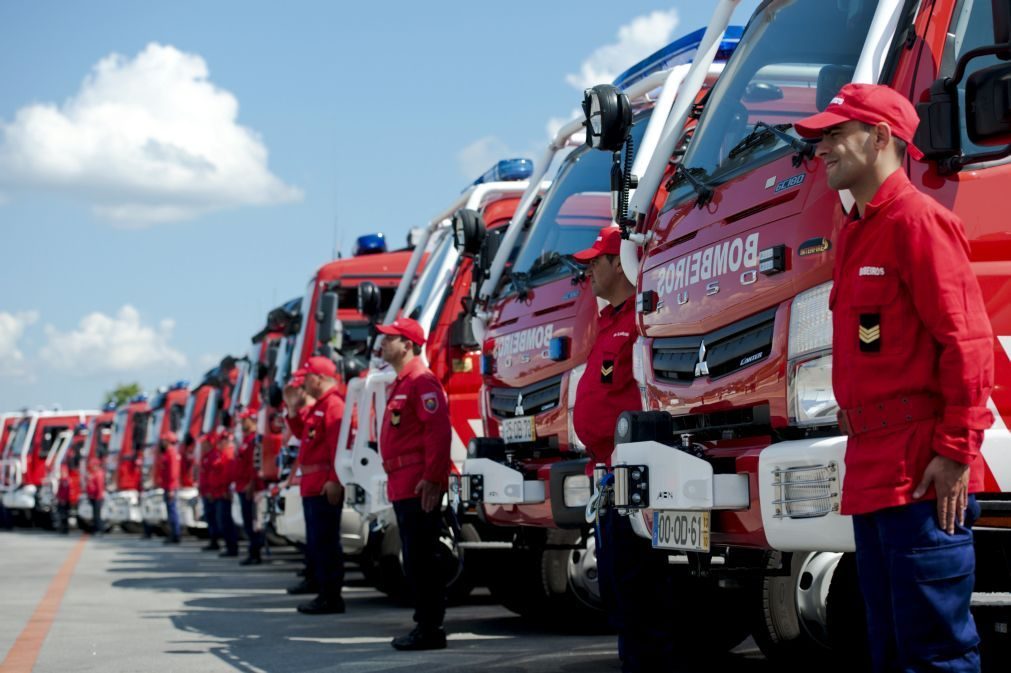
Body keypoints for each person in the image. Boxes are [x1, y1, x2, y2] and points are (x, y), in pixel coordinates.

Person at [794, 83, 994, 672]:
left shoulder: (918, 222)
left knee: (934, 654)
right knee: (886, 650)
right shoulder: (857, 230)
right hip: (873, 471)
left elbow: (969, 343)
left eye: (834, 133)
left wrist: (957, 450)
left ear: (880, 137)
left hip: (920, 472)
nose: (821, 149)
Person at [569, 226, 674, 672]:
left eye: (597, 260)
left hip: (636, 476)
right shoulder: (610, 320)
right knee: (616, 583)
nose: (588, 270)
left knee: (636, 584)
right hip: (608, 475)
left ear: (620, 262)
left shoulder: (638, 318)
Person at [377, 318, 452, 651]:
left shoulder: (421, 381)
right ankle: (425, 625)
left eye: (388, 338)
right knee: (416, 558)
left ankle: (430, 628)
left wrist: (434, 478)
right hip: (404, 484)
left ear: (407, 344)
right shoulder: (404, 382)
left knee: (422, 560)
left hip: (418, 486)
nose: (382, 344)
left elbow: (438, 431)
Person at [284, 357, 346, 614]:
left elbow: (337, 449)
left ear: (319, 378)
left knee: (326, 543)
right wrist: (291, 408)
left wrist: (334, 479)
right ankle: (324, 593)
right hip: (312, 484)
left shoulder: (333, 406)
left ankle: (331, 597)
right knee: (317, 543)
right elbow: (303, 435)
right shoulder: (320, 406)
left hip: (323, 484)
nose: (302, 383)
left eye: (306, 377)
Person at [235, 408, 266, 565]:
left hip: (251, 488)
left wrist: (251, 484)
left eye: (244, 420)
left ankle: (256, 552)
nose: (241, 423)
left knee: (254, 522)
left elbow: (255, 465)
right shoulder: (246, 440)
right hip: (243, 486)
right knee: (248, 522)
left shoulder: (255, 440)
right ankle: (253, 551)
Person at [207, 418, 239, 558]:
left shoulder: (228, 455)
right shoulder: (220, 455)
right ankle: (229, 546)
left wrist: (226, 490)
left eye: (222, 441)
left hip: (224, 493)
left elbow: (228, 475)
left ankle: (232, 547)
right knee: (222, 521)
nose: (219, 444)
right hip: (218, 493)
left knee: (226, 521)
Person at [157, 431, 182, 544]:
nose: (162, 442)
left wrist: (171, 489)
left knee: (172, 511)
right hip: (167, 486)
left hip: (170, 487)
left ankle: (175, 535)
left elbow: (173, 473)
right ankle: (173, 534)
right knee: (170, 511)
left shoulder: (171, 453)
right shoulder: (167, 453)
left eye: (164, 440)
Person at [198, 433, 222, 551]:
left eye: (205, 443)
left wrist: (210, 491)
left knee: (213, 518)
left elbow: (213, 476)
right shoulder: (206, 456)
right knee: (209, 517)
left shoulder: (213, 456)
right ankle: (213, 541)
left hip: (210, 493)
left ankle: (215, 541)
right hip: (205, 492)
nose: (202, 446)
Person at [85, 459, 106, 535]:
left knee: (97, 515)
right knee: (94, 514)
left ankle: (100, 530)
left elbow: (100, 487)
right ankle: (96, 529)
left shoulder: (99, 474)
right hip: (93, 497)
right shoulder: (93, 473)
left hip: (97, 497)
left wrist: (98, 496)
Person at [56, 467, 72, 534]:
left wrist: (63, 499)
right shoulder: (62, 480)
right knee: (62, 515)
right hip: (61, 500)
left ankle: (65, 529)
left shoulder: (65, 481)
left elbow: (65, 492)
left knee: (64, 515)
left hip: (64, 500)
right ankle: (63, 528)